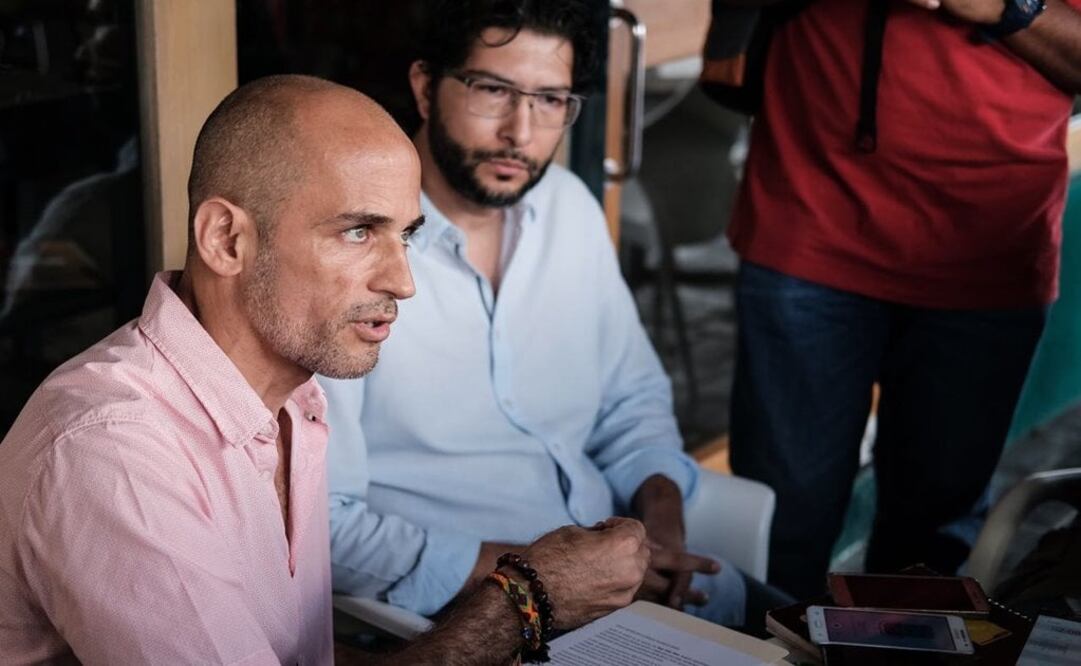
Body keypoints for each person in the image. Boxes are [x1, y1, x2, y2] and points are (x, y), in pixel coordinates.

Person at [0, 74, 652, 664]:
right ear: (226, 239)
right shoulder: (114, 453)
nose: (402, 282)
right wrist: (523, 600)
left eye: (407, 235)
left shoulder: (294, 396)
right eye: (358, 232)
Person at [321, 0, 787, 634]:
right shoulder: (349, 259)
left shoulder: (568, 208)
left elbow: (631, 400)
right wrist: (542, 576)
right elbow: (327, 524)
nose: (521, 131)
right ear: (426, 87)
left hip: (634, 583)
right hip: (475, 613)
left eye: (550, 101)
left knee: (829, 629)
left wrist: (661, 526)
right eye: (493, 90)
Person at [722, 0, 1081, 598]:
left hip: (985, 251)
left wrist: (1005, 6)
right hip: (806, 222)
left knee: (929, 549)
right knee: (776, 525)